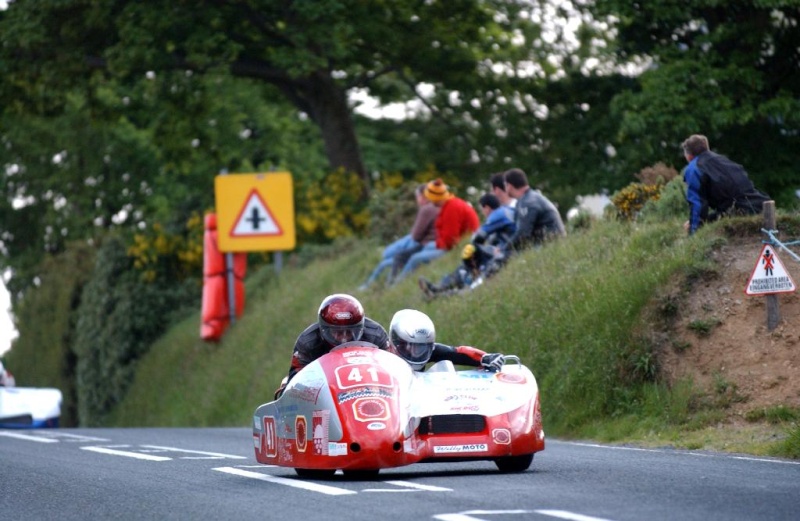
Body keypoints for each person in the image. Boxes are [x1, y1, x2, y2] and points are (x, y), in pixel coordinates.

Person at [273, 294, 390, 398]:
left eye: (349, 332)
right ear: (324, 329)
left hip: (371, 389)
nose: (344, 339)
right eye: (338, 333)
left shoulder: (375, 335)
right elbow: (294, 383)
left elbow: (393, 369)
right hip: (326, 394)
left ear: (360, 328)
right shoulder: (308, 342)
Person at [418, 193, 516, 298]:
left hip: (509, 252)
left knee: (471, 254)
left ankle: (443, 289)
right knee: (477, 256)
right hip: (509, 249)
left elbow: (478, 237)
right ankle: (441, 289)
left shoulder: (496, 215)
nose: (483, 213)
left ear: (487, 208)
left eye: (482, 210)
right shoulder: (507, 210)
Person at [393, 179, 480, 284]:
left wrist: (438, 244)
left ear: (435, 198)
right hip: (454, 244)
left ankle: (397, 284)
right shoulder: (449, 204)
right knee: (426, 247)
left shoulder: (451, 208)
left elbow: (450, 240)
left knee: (415, 258)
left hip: (458, 247)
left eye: (430, 198)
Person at [681, 134, 771, 235]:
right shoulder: (723, 160)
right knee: (708, 219)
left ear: (689, 156)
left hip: (737, 213)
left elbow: (697, 204)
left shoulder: (693, 168)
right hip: (759, 206)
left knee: (696, 224)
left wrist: (693, 231)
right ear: (707, 148)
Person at [358, 184, 439, 290]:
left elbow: (416, 235)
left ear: (423, 197)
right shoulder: (437, 207)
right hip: (428, 244)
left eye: (418, 197)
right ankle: (383, 282)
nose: (417, 200)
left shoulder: (427, 209)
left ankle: (388, 283)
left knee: (393, 258)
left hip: (425, 244)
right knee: (396, 255)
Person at [389, 309, 505, 372]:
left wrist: (485, 358)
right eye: (409, 347)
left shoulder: (432, 352)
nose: (416, 353)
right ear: (397, 343)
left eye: (422, 348)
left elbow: (456, 353)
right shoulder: (382, 357)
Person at [503, 168, 566, 253]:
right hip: (552, 244)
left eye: (505, 185)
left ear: (509, 186)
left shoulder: (528, 202)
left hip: (550, 247)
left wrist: (503, 249)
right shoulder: (528, 198)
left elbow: (523, 234)